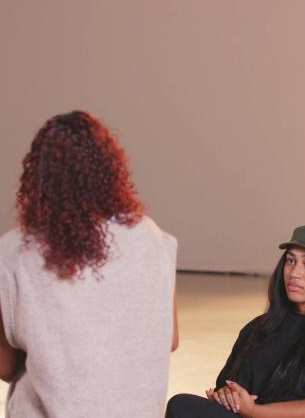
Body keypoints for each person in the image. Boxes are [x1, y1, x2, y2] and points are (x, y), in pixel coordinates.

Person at [0, 111, 179, 418]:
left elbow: (4, 367)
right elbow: (171, 339)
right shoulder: (153, 238)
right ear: (110, 170)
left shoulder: (16, 250)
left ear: (38, 178)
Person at [166, 225, 305, 418]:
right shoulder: (258, 327)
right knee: (182, 406)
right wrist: (227, 396)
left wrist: (255, 412)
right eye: (290, 261)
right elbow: (230, 388)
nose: (295, 273)